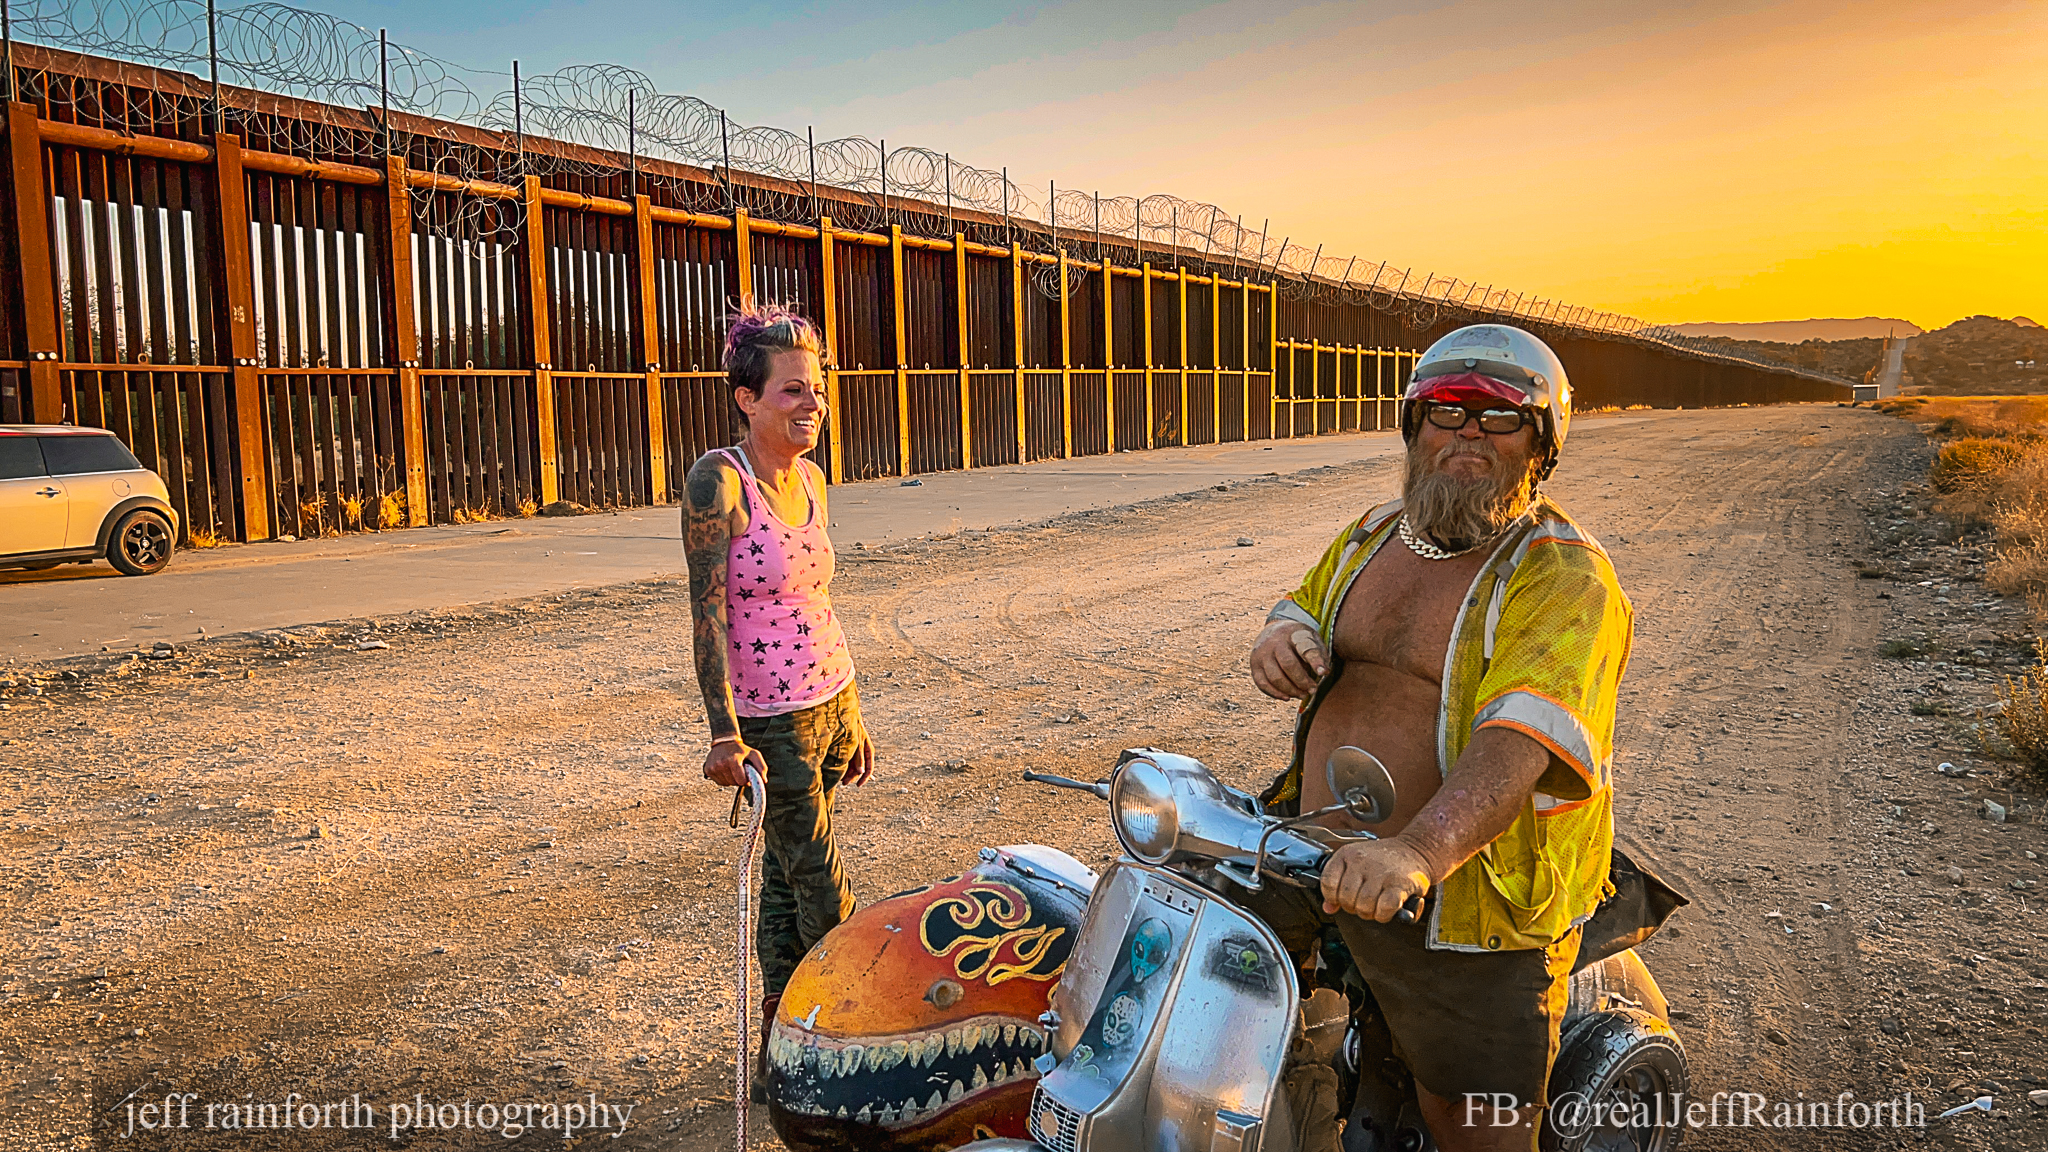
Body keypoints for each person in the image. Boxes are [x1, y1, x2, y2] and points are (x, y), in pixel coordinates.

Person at [1245, 324, 1632, 1152]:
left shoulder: (1563, 574)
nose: (1466, 433)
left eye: (1499, 418)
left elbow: (1521, 743)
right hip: (1318, 846)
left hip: (1470, 895)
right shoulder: (1373, 532)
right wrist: (1285, 632)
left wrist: (1417, 852)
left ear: (1542, 442)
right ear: (1413, 426)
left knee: (1475, 1122)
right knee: (1208, 993)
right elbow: (1306, 601)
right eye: (1446, 412)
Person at [683, 303, 874, 1086]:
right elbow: (706, 614)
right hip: (772, 724)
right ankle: (852, 1043)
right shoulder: (718, 480)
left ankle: (781, 1050)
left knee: (784, 885)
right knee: (826, 897)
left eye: (818, 391)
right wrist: (725, 733)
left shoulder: (815, 481)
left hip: (832, 702)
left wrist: (854, 714)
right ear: (747, 398)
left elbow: (817, 602)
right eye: (793, 391)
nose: (811, 405)